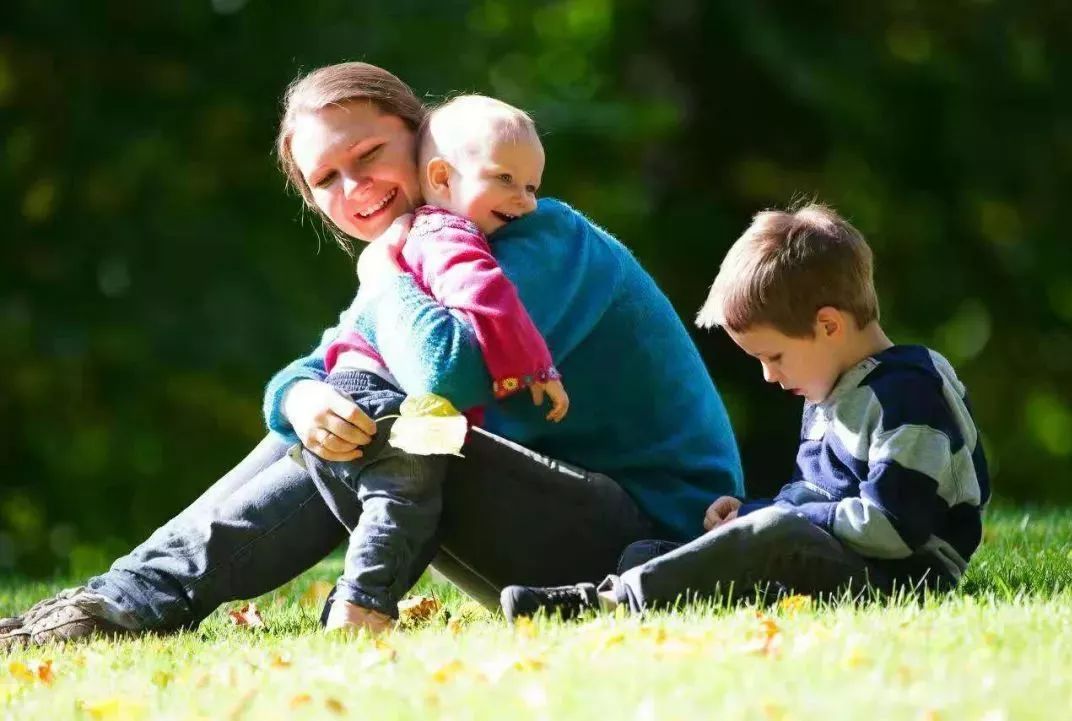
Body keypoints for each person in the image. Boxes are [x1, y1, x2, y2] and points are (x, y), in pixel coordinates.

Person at [0, 62, 742, 651]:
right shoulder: (419, 254)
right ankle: (115, 594)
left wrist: (381, 273)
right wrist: (296, 399)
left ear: (428, 145)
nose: (354, 189)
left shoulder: (538, 238)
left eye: (369, 155)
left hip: (651, 546)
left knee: (371, 405)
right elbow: (325, 360)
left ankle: (133, 601)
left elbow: (444, 374)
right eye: (326, 179)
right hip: (546, 536)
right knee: (341, 397)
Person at [501, 203, 991, 620]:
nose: (769, 376)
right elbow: (815, 497)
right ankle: (648, 585)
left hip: (901, 577)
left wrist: (772, 519)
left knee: (771, 533)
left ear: (828, 325)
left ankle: (604, 603)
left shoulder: (909, 395)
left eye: (773, 356)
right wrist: (752, 513)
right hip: (836, 556)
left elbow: (891, 527)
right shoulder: (831, 391)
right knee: (646, 553)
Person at [302, 94, 568, 634]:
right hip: (373, 391)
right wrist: (537, 368)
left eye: (532, 186)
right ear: (443, 176)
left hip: (358, 387)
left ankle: (137, 594)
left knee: (400, 496)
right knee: (404, 496)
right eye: (507, 180)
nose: (528, 203)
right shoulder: (446, 235)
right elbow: (484, 299)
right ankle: (360, 606)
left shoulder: (414, 240)